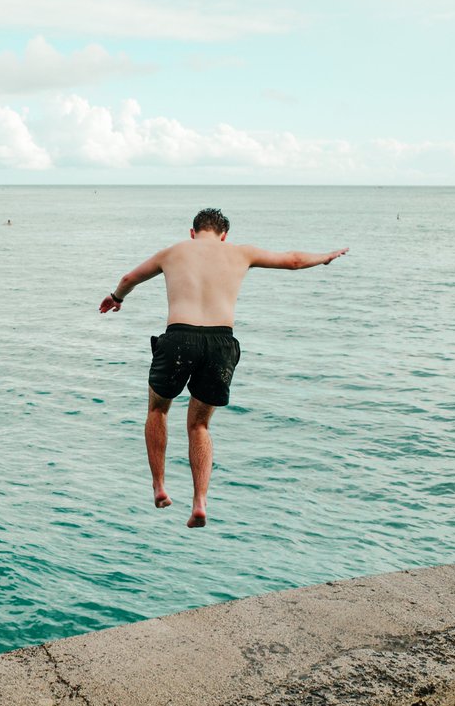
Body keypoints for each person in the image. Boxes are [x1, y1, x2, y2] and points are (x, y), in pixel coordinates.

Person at [99, 208, 348, 528]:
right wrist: (325, 257)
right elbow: (294, 260)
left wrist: (116, 297)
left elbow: (127, 279)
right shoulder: (240, 252)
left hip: (179, 338)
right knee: (200, 426)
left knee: (158, 410)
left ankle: (160, 485)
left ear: (193, 232)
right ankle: (200, 501)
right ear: (224, 235)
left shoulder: (173, 252)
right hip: (220, 342)